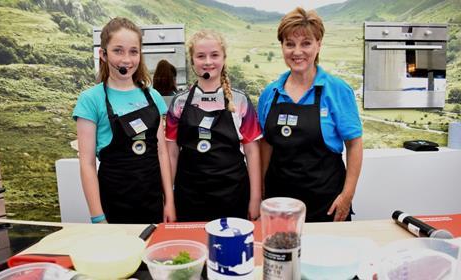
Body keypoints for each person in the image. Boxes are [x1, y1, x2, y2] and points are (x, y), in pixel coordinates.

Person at [257, 7, 363, 222]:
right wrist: (260, 192)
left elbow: (354, 144)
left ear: (318, 45)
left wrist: (347, 196)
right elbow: (266, 145)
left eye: (306, 43)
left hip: (325, 203)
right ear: (282, 47)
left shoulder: (336, 90)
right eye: (290, 44)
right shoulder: (271, 93)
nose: (297, 52)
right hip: (279, 204)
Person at [72, 17, 176, 224]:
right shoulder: (90, 100)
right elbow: (87, 164)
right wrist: (98, 217)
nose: (126, 60)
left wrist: (169, 201)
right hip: (113, 203)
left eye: (133, 51)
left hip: (152, 200)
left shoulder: (153, 96)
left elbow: (162, 153)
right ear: (103, 54)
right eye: (118, 50)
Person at [166, 30, 262, 222]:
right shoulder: (179, 102)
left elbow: (252, 152)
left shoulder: (240, 101)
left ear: (224, 59)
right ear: (192, 61)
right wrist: (168, 200)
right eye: (201, 56)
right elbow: (172, 153)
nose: (208, 61)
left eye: (214, 55)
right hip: (189, 195)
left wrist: (255, 198)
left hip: (233, 193)